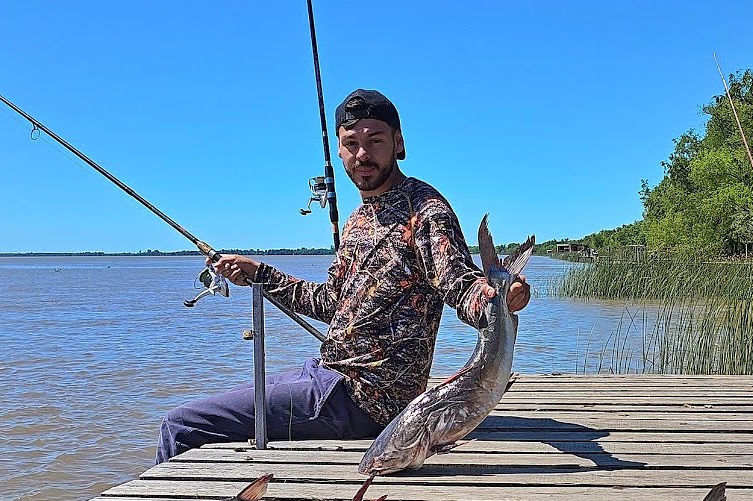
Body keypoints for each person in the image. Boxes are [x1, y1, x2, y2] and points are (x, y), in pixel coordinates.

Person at [156, 89, 531, 463]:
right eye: (352, 143)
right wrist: (260, 274)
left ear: (399, 143)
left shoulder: (426, 209)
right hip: (326, 373)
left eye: (375, 140)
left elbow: (457, 282)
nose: (363, 154)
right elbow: (332, 303)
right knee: (213, 413)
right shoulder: (357, 220)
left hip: (364, 399)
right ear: (339, 150)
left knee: (182, 425)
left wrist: (498, 297)